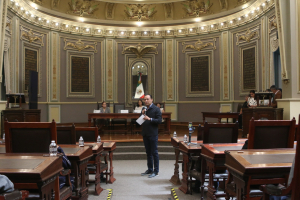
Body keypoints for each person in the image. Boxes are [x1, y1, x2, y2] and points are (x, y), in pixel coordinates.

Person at [140, 95, 162, 178]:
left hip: (153, 133)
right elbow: (140, 121)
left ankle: (156, 171)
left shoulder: (156, 109)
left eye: (147, 99)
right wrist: (141, 114)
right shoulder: (143, 109)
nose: (145, 101)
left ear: (152, 100)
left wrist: (150, 119)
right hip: (145, 133)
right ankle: (150, 169)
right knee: (148, 153)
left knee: (154, 152)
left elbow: (159, 121)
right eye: (144, 99)